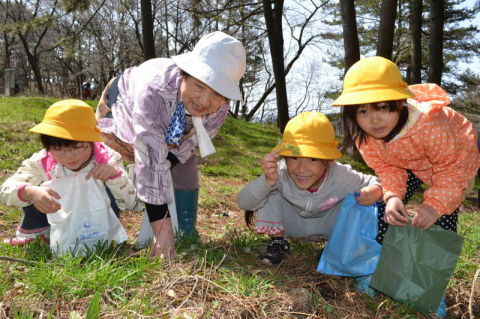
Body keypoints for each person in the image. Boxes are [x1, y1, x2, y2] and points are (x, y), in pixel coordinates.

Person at [333, 56, 480, 317]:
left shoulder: (430, 125)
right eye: (363, 111)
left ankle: (429, 290)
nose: (374, 119)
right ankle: (374, 271)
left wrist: (434, 206)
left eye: (382, 107)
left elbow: (452, 169)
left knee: (440, 222)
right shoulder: (365, 136)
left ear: (400, 103)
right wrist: (392, 197)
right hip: (405, 161)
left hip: (454, 161)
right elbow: (387, 168)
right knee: (386, 212)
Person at [95, 31, 246, 260]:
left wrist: (169, 162)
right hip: (125, 101)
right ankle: (102, 226)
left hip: (176, 118)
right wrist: (163, 235)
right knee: (109, 160)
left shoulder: (218, 109)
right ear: (185, 74)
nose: (205, 101)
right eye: (199, 86)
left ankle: (185, 227)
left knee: (180, 164)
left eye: (217, 94)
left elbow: (191, 143)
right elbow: (150, 158)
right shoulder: (153, 91)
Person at [237, 112, 383, 266]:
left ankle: (336, 248)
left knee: (357, 199)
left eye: (313, 159)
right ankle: (278, 243)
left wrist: (376, 189)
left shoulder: (340, 175)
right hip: (290, 226)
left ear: (328, 161)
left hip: (328, 228)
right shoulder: (281, 172)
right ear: (284, 158)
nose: (302, 169)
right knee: (270, 189)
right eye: (294, 158)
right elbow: (243, 203)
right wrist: (267, 181)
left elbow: (374, 181)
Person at [0, 99, 138, 245]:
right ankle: (38, 234)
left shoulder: (107, 159)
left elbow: (132, 203)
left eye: (77, 147)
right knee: (35, 191)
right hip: (57, 217)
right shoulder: (42, 162)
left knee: (108, 186)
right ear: (47, 146)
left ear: (91, 141)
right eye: (58, 149)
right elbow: (6, 190)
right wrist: (29, 192)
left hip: (98, 221)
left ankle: (100, 235)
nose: (68, 156)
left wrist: (114, 176)